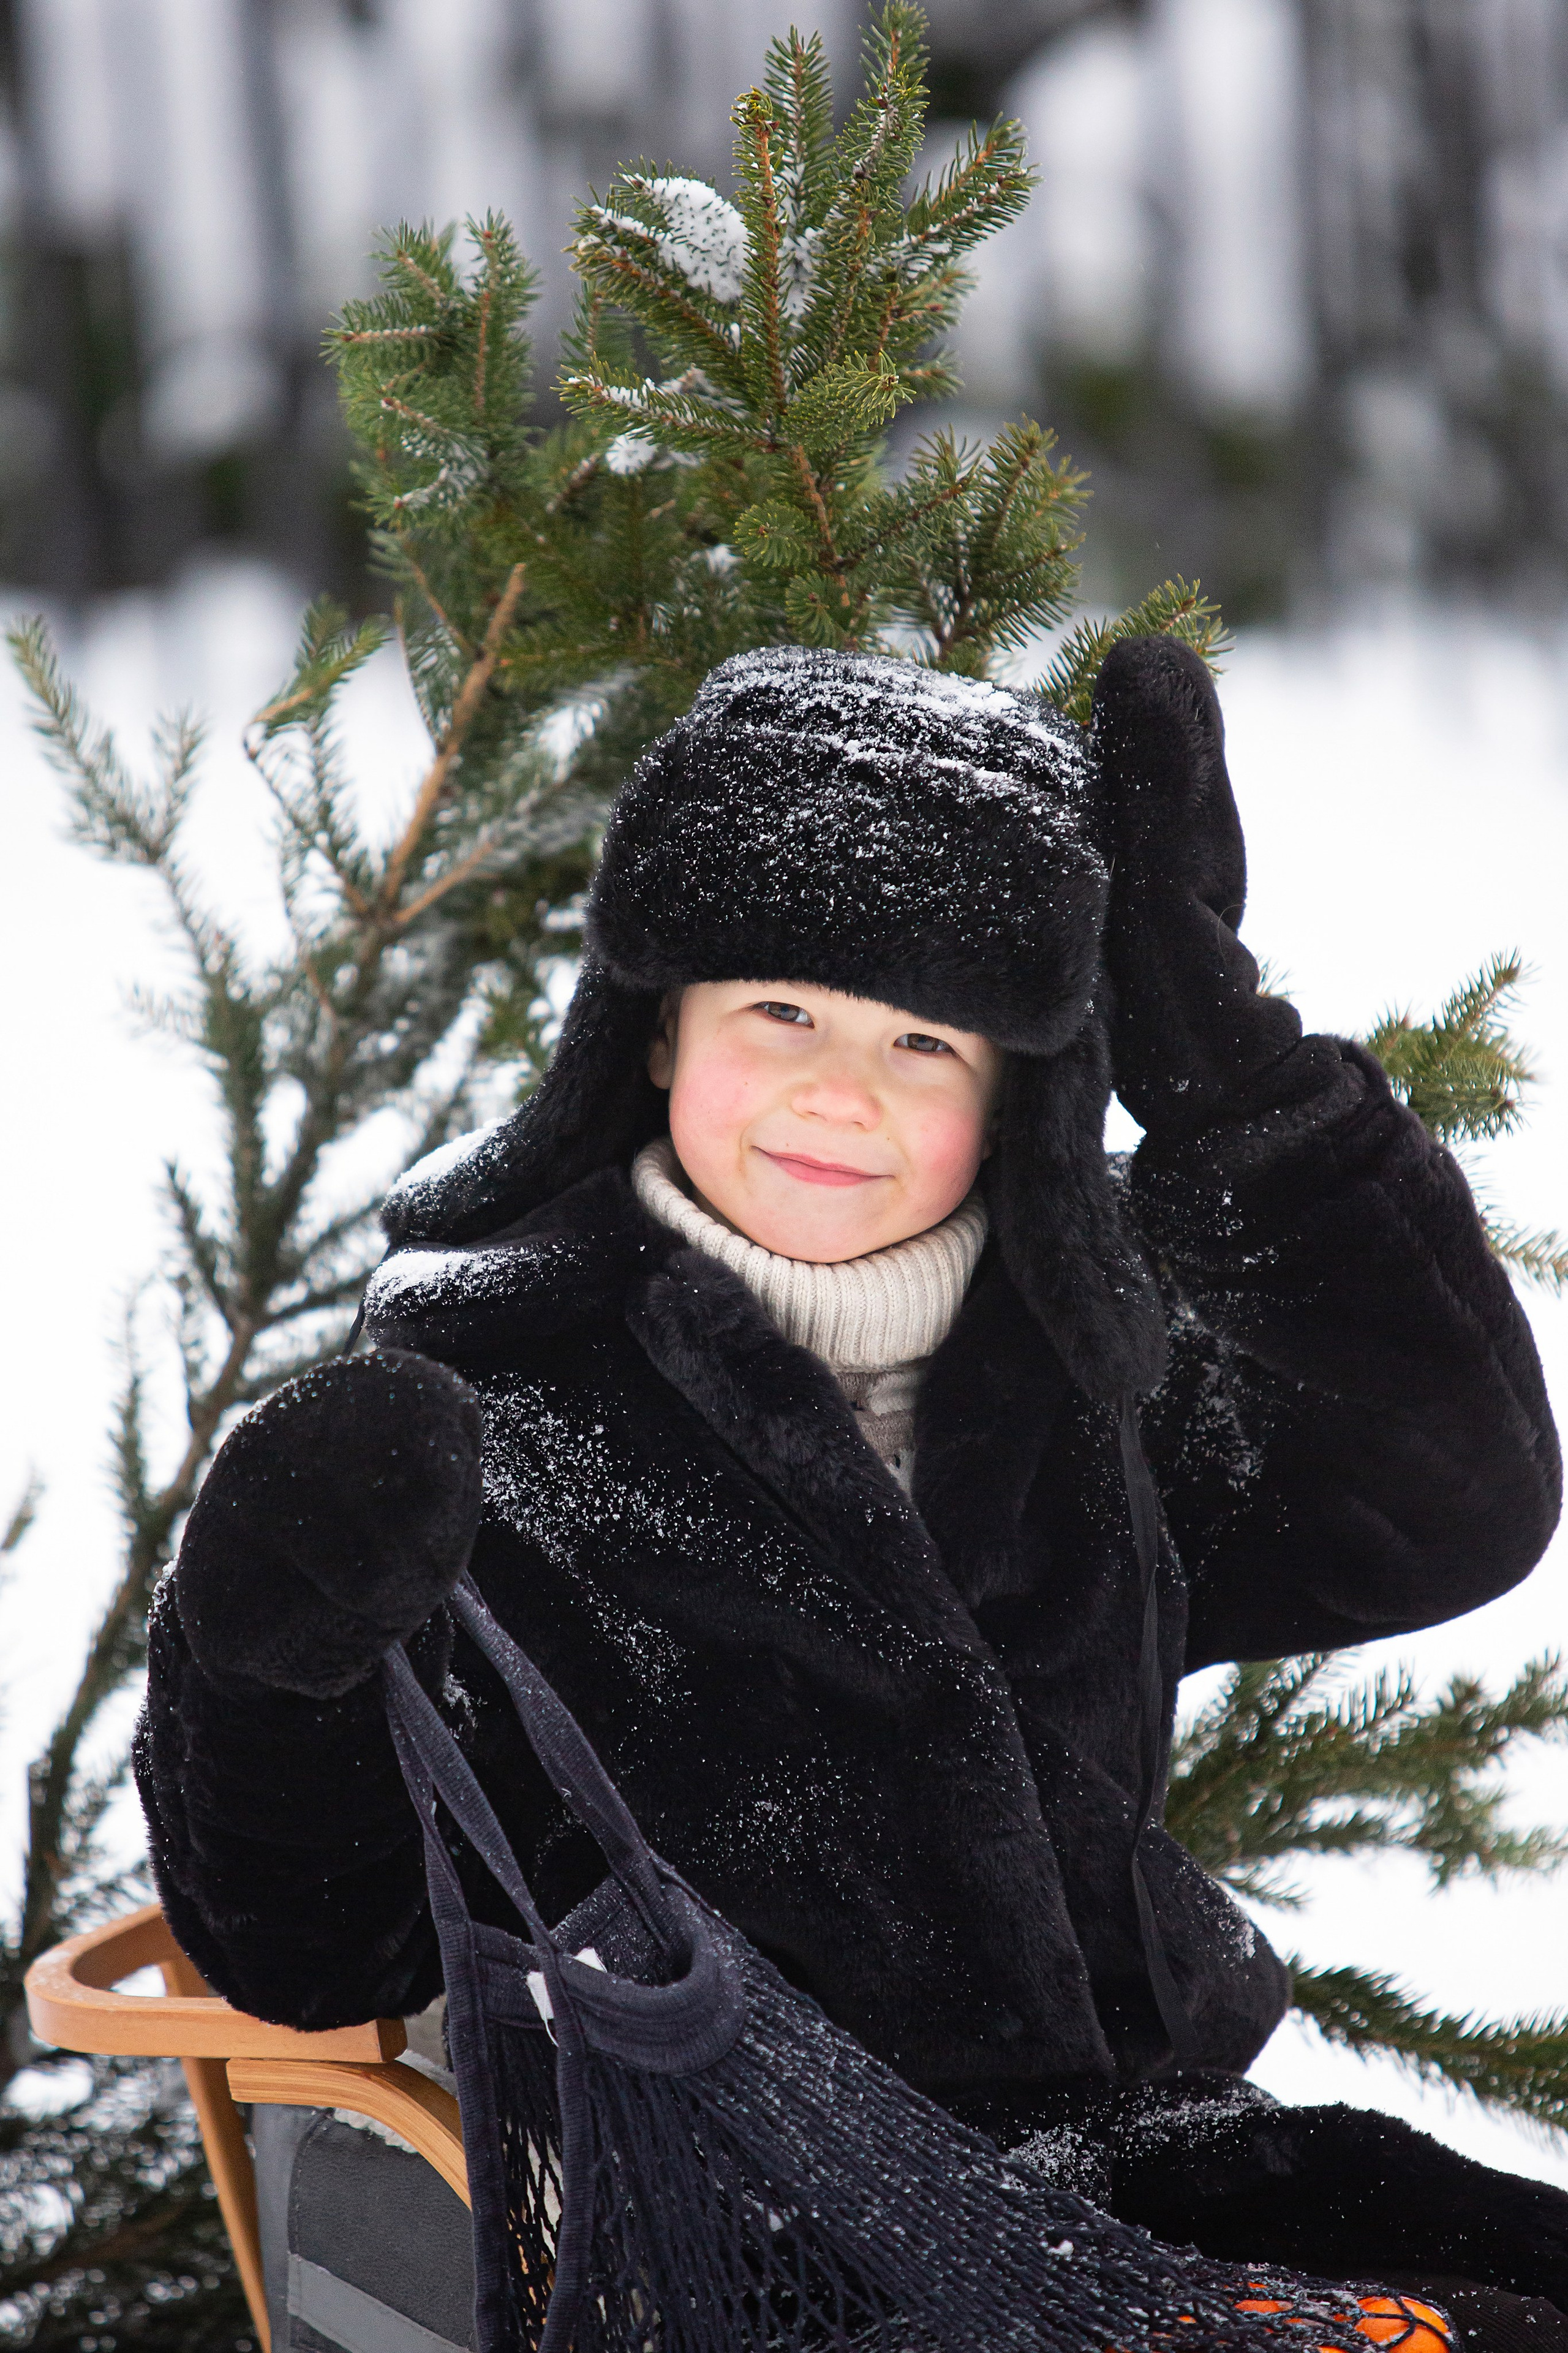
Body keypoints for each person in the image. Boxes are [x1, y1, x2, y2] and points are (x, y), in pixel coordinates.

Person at [137, 640, 1566, 2321]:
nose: (839, 1089)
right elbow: (313, 1944)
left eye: (924, 1044)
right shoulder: (493, 1410)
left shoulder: (1068, 1365)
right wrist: (263, 1654)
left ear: (1017, 1092)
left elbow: (1438, 1504)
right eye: (781, 1011)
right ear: (654, 1034)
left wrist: (1237, 1086)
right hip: (723, 2235)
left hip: (1116, 2167)